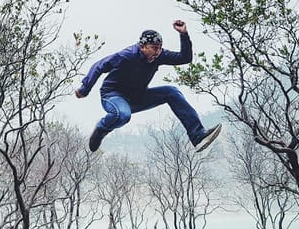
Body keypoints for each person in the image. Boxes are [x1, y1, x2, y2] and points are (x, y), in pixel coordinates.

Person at [74, 19, 221, 152]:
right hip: (113, 96)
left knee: (172, 92)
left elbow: (185, 58)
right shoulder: (127, 56)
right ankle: (101, 129)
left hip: (138, 97)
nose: (157, 52)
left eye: (160, 48)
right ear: (142, 46)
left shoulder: (160, 55)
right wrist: (85, 88)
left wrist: (183, 34)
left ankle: (198, 136)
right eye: (154, 48)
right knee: (123, 115)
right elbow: (99, 66)